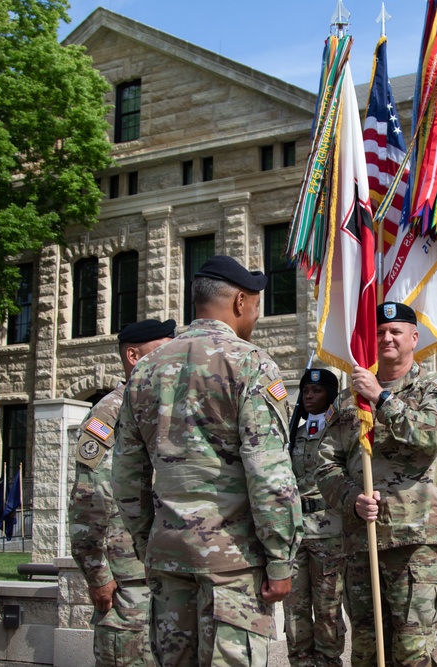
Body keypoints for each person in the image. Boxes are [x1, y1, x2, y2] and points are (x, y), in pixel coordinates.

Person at [112, 255, 303, 667]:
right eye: (255, 303)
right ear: (239, 302)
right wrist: (280, 557)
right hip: (231, 566)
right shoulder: (250, 363)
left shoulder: (145, 370)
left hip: (168, 558)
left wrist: (150, 545)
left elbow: (126, 475)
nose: (255, 313)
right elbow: (269, 473)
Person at [316, 301, 437, 667]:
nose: (387, 338)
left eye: (396, 331)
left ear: (414, 337)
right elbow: (323, 463)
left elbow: (433, 435)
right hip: (361, 541)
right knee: (367, 650)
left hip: (413, 544)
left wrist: (381, 398)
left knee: (414, 651)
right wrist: (351, 498)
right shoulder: (350, 401)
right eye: (380, 332)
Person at [69, 318, 175, 667]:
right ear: (132, 356)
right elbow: (90, 502)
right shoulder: (111, 413)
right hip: (126, 577)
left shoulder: (159, 409)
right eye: (160, 351)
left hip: (162, 568)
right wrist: (98, 574)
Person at [284, 367, 347, 666]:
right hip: (296, 532)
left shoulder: (339, 431)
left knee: (327, 610)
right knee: (294, 610)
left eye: (317, 391)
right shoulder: (293, 433)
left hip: (329, 532)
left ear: (331, 395)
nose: (309, 396)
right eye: (306, 391)